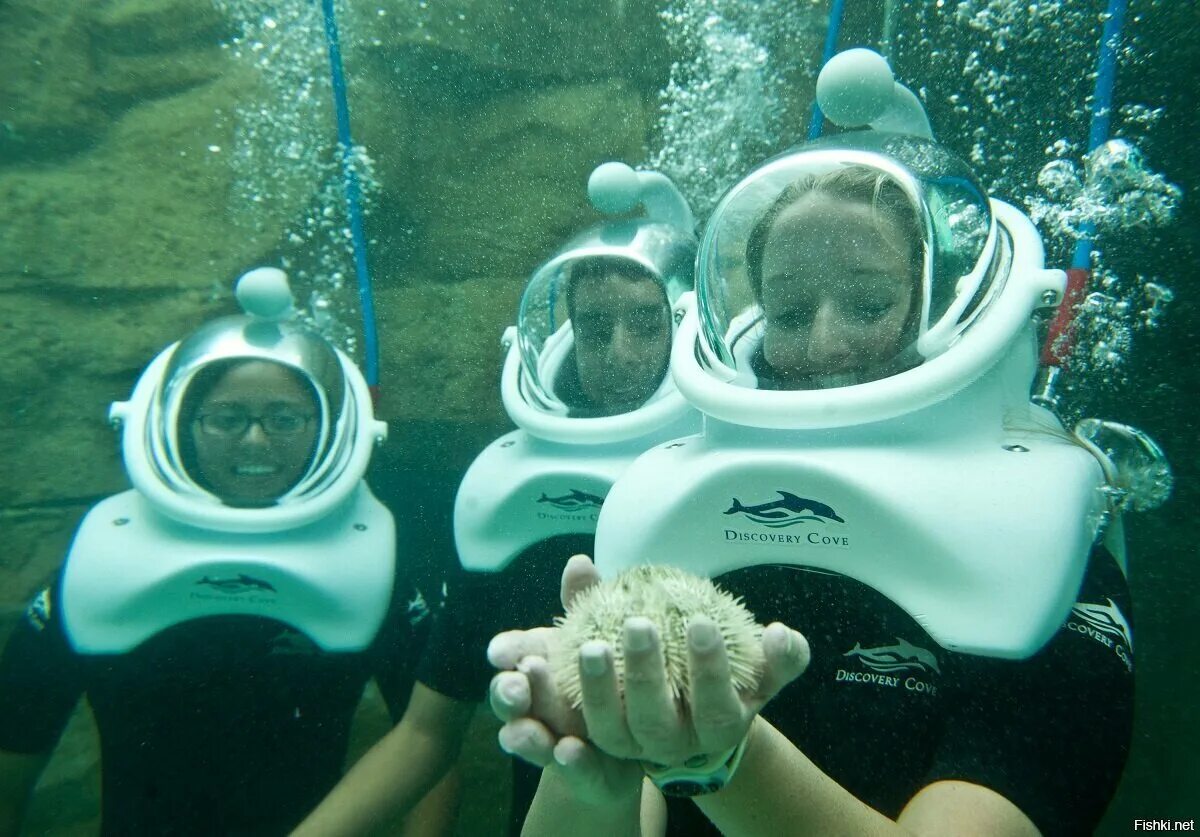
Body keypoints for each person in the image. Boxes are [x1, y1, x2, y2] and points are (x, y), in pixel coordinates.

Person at [487, 88, 1146, 835]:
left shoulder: (1038, 548)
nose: (825, 345)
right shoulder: (686, 509)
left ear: (949, 312)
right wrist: (595, 769)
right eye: (791, 313)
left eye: (868, 306)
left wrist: (724, 758)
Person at [0, 268, 473, 836]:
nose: (255, 440)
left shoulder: (372, 568)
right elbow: (12, 757)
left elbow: (429, 739)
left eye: (285, 419)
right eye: (226, 419)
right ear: (180, 423)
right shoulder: (100, 566)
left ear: (328, 428)